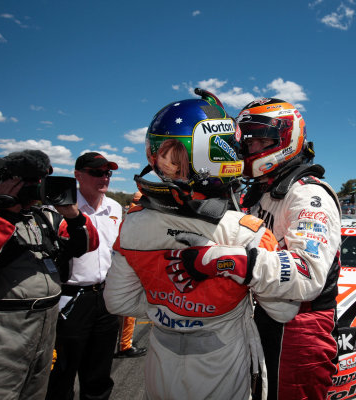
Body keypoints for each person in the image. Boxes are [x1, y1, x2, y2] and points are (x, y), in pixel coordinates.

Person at [104, 90, 283, 399]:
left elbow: (117, 302)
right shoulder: (248, 233)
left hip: (162, 357)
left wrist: (168, 310)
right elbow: (281, 309)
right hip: (223, 361)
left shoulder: (132, 224)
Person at [172, 97, 341, 400]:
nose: (247, 149)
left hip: (301, 327)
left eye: (255, 140)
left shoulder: (309, 195)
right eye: (244, 141)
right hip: (267, 315)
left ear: (284, 138)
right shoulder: (264, 191)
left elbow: (307, 274)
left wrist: (223, 261)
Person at [0, 150, 98, 400]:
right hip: (0, 333)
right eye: (26, 182)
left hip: (45, 327)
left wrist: (73, 216)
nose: (34, 188)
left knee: (36, 392)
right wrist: (4, 212)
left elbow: (89, 244)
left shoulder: (44, 218)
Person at [47, 152, 123, 400]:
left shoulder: (115, 207)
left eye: (108, 173)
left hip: (105, 298)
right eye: (97, 172)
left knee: (99, 375)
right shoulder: (58, 209)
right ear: (78, 175)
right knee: (61, 375)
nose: (104, 178)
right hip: (70, 300)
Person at [114, 191, 146, 359]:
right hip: (130, 265)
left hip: (120, 263)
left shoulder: (130, 214)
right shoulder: (138, 215)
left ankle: (122, 343)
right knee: (128, 311)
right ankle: (125, 345)